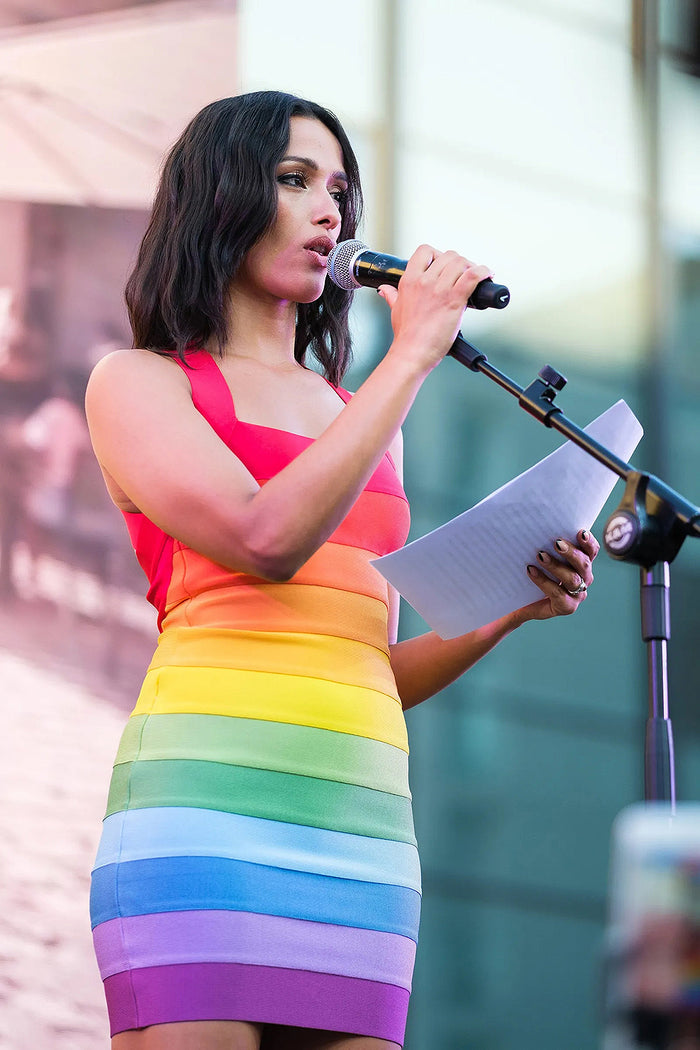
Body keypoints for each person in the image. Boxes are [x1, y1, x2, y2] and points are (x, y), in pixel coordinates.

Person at [85, 90, 599, 1050]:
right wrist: (409, 358)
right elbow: (262, 536)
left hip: (359, 840)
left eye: (339, 190)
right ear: (221, 195)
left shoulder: (351, 418)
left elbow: (369, 667)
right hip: (206, 819)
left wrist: (504, 613)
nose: (330, 211)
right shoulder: (140, 382)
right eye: (293, 180)